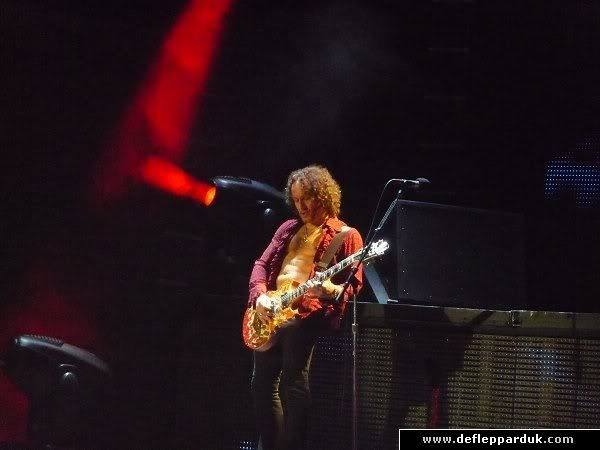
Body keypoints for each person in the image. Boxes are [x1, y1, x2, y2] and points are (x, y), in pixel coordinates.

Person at [248, 165, 363, 450]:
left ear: (323, 196)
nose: (301, 206)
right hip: (272, 309)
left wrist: (330, 289)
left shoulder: (347, 235)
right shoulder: (288, 228)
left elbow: (352, 287)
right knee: (261, 386)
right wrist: (260, 295)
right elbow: (261, 264)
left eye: (307, 199)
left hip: (305, 314)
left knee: (293, 382)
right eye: (296, 200)